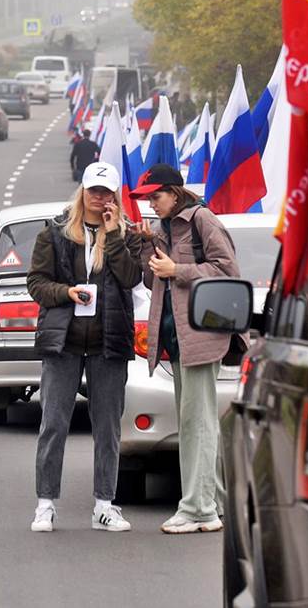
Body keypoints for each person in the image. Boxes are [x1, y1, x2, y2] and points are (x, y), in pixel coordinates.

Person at [26, 162, 144, 533]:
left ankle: (104, 505)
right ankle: (45, 504)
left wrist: (115, 236)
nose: (99, 197)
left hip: (109, 344)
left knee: (107, 427)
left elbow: (130, 278)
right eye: (93, 190)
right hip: (64, 343)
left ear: (115, 196)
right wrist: (66, 293)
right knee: (54, 424)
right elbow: (36, 283)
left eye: (106, 192)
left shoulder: (125, 234)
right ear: (83, 191)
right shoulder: (56, 233)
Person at [130, 163, 247, 535]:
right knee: (196, 422)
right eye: (148, 198)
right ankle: (215, 504)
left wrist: (177, 269)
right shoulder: (164, 229)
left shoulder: (203, 220)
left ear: (175, 192)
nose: (152, 203)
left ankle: (198, 509)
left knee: (198, 423)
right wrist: (146, 243)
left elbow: (228, 270)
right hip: (176, 338)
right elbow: (153, 280)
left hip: (201, 335)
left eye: (156, 196)